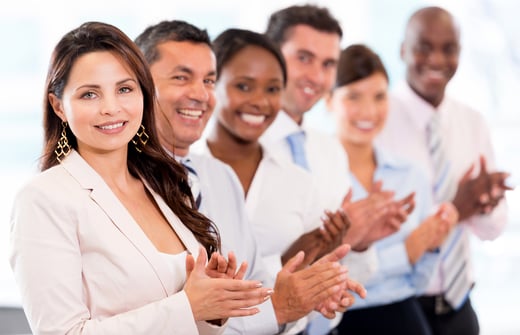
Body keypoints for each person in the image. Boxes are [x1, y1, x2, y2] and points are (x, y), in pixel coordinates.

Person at [9, 21, 273, 335]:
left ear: (144, 94)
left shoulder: (164, 182)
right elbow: (62, 333)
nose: (111, 108)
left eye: (124, 89)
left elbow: (188, 321)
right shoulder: (44, 198)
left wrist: (213, 305)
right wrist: (189, 306)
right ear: (59, 106)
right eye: (89, 94)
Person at [134, 20, 364, 335]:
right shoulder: (117, 179)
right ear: (138, 84)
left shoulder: (219, 178)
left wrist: (306, 294)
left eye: (208, 81)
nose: (200, 94)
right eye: (181, 77)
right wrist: (282, 306)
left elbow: (254, 292)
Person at [260, 5, 414, 333]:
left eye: (328, 64)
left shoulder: (328, 151)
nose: (316, 76)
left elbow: (351, 270)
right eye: (303, 58)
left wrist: (357, 242)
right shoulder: (243, 151)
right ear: (270, 54)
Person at [201, 28, 360, 334]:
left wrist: (322, 274)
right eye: (244, 86)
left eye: (273, 89)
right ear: (212, 84)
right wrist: (285, 261)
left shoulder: (299, 183)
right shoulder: (180, 173)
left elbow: (307, 298)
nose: (259, 101)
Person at [377, 6, 511, 335]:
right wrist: (456, 206)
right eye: (424, 46)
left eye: (448, 48)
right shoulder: (376, 122)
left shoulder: (473, 122)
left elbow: (492, 229)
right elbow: (375, 238)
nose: (437, 60)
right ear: (403, 50)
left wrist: (484, 206)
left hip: (459, 306)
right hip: (398, 308)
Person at [326, 44, 459, 335]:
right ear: (328, 100)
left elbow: (420, 280)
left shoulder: (410, 175)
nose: (369, 111)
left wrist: (433, 242)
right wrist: (407, 252)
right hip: (339, 323)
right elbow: (321, 275)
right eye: (353, 97)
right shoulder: (316, 177)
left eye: (379, 97)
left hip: (406, 316)